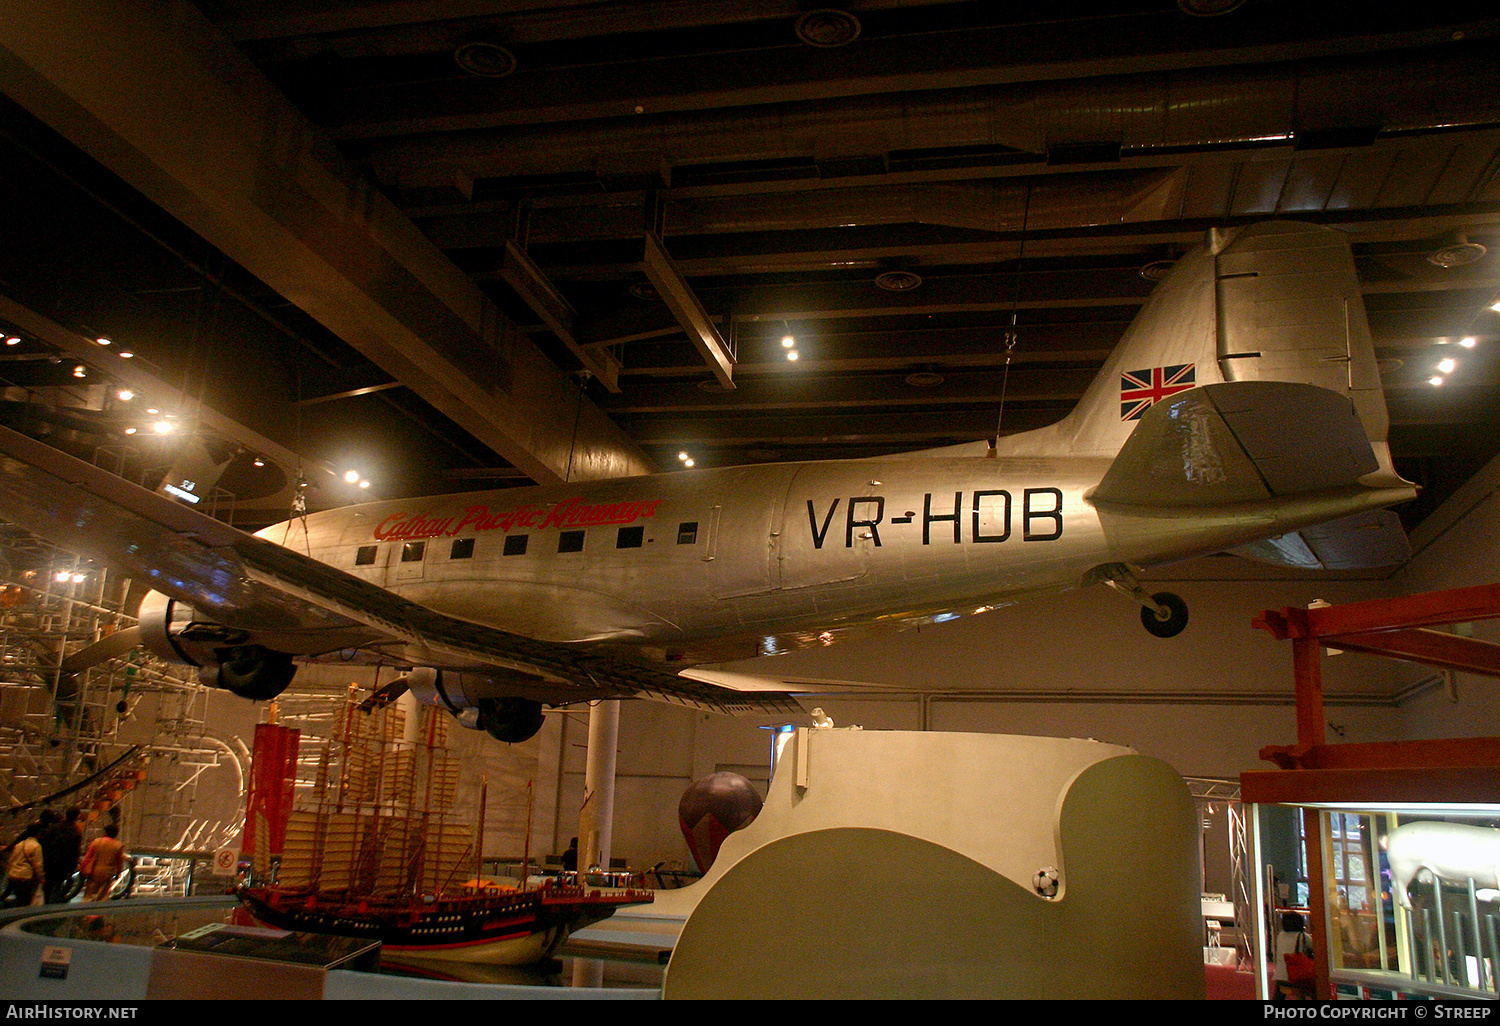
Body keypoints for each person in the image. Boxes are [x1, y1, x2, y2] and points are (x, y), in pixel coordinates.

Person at [41, 808, 83, 904]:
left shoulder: (54, 827)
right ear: (77, 817)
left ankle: (45, 904)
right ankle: (55, 905)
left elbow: (46, 843)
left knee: (47, 885)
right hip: (64, 863)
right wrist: (74, 864)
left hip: (50, 860)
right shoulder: (75, 831)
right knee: (59, 885)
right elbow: (75, 850)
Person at [1274, 911, 1315, 999]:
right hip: (1296, 977)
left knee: (1278, 994)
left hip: (1280, 977)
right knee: (1316, 987)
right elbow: (1315, 949)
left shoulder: (1280, 936)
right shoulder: (1303, 936)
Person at [80, 824, 127, 901]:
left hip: (94, 870)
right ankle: (99, 912)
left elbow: (88, 857)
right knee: (103, 896)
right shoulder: (118, 845)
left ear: (105, 832)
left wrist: (83, 868)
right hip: (108, 872)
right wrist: (118, 872)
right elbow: (119, 861)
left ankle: (86, 910)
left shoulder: (96, 842)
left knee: (89, 894)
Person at [5, 823, 45, 906]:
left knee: (18, 899)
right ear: (38, 833)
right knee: (25, 902)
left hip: (14, 875)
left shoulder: (19, 844)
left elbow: (11, 860)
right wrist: (41, 877)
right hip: (25, 877)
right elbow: (38, 865)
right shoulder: (36, 846)